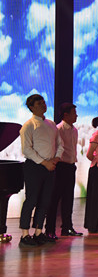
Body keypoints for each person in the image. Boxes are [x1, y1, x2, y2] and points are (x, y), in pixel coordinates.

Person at [18, 94, 60, 247]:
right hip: (34, 167)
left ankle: (38, 232)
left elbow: (59, 144)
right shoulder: (28, 126)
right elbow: (26, 149)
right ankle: (24, 234)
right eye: (39, 103)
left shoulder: (51, 124)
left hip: (50, 166)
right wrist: (44, 163)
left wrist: (55, 159)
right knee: (31, 200)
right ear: (31, 107)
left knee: (45, 200)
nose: (43, 105)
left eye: (43, 102)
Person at [45, 102, 82, 237]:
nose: (76, 116)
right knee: (54, 199)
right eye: (74, 113)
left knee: (68, 198)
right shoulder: (58, 129)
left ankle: (67, 227)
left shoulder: (74, 130)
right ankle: (50, 229)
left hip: (71, 167)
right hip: (60, 167)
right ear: (66, 115)